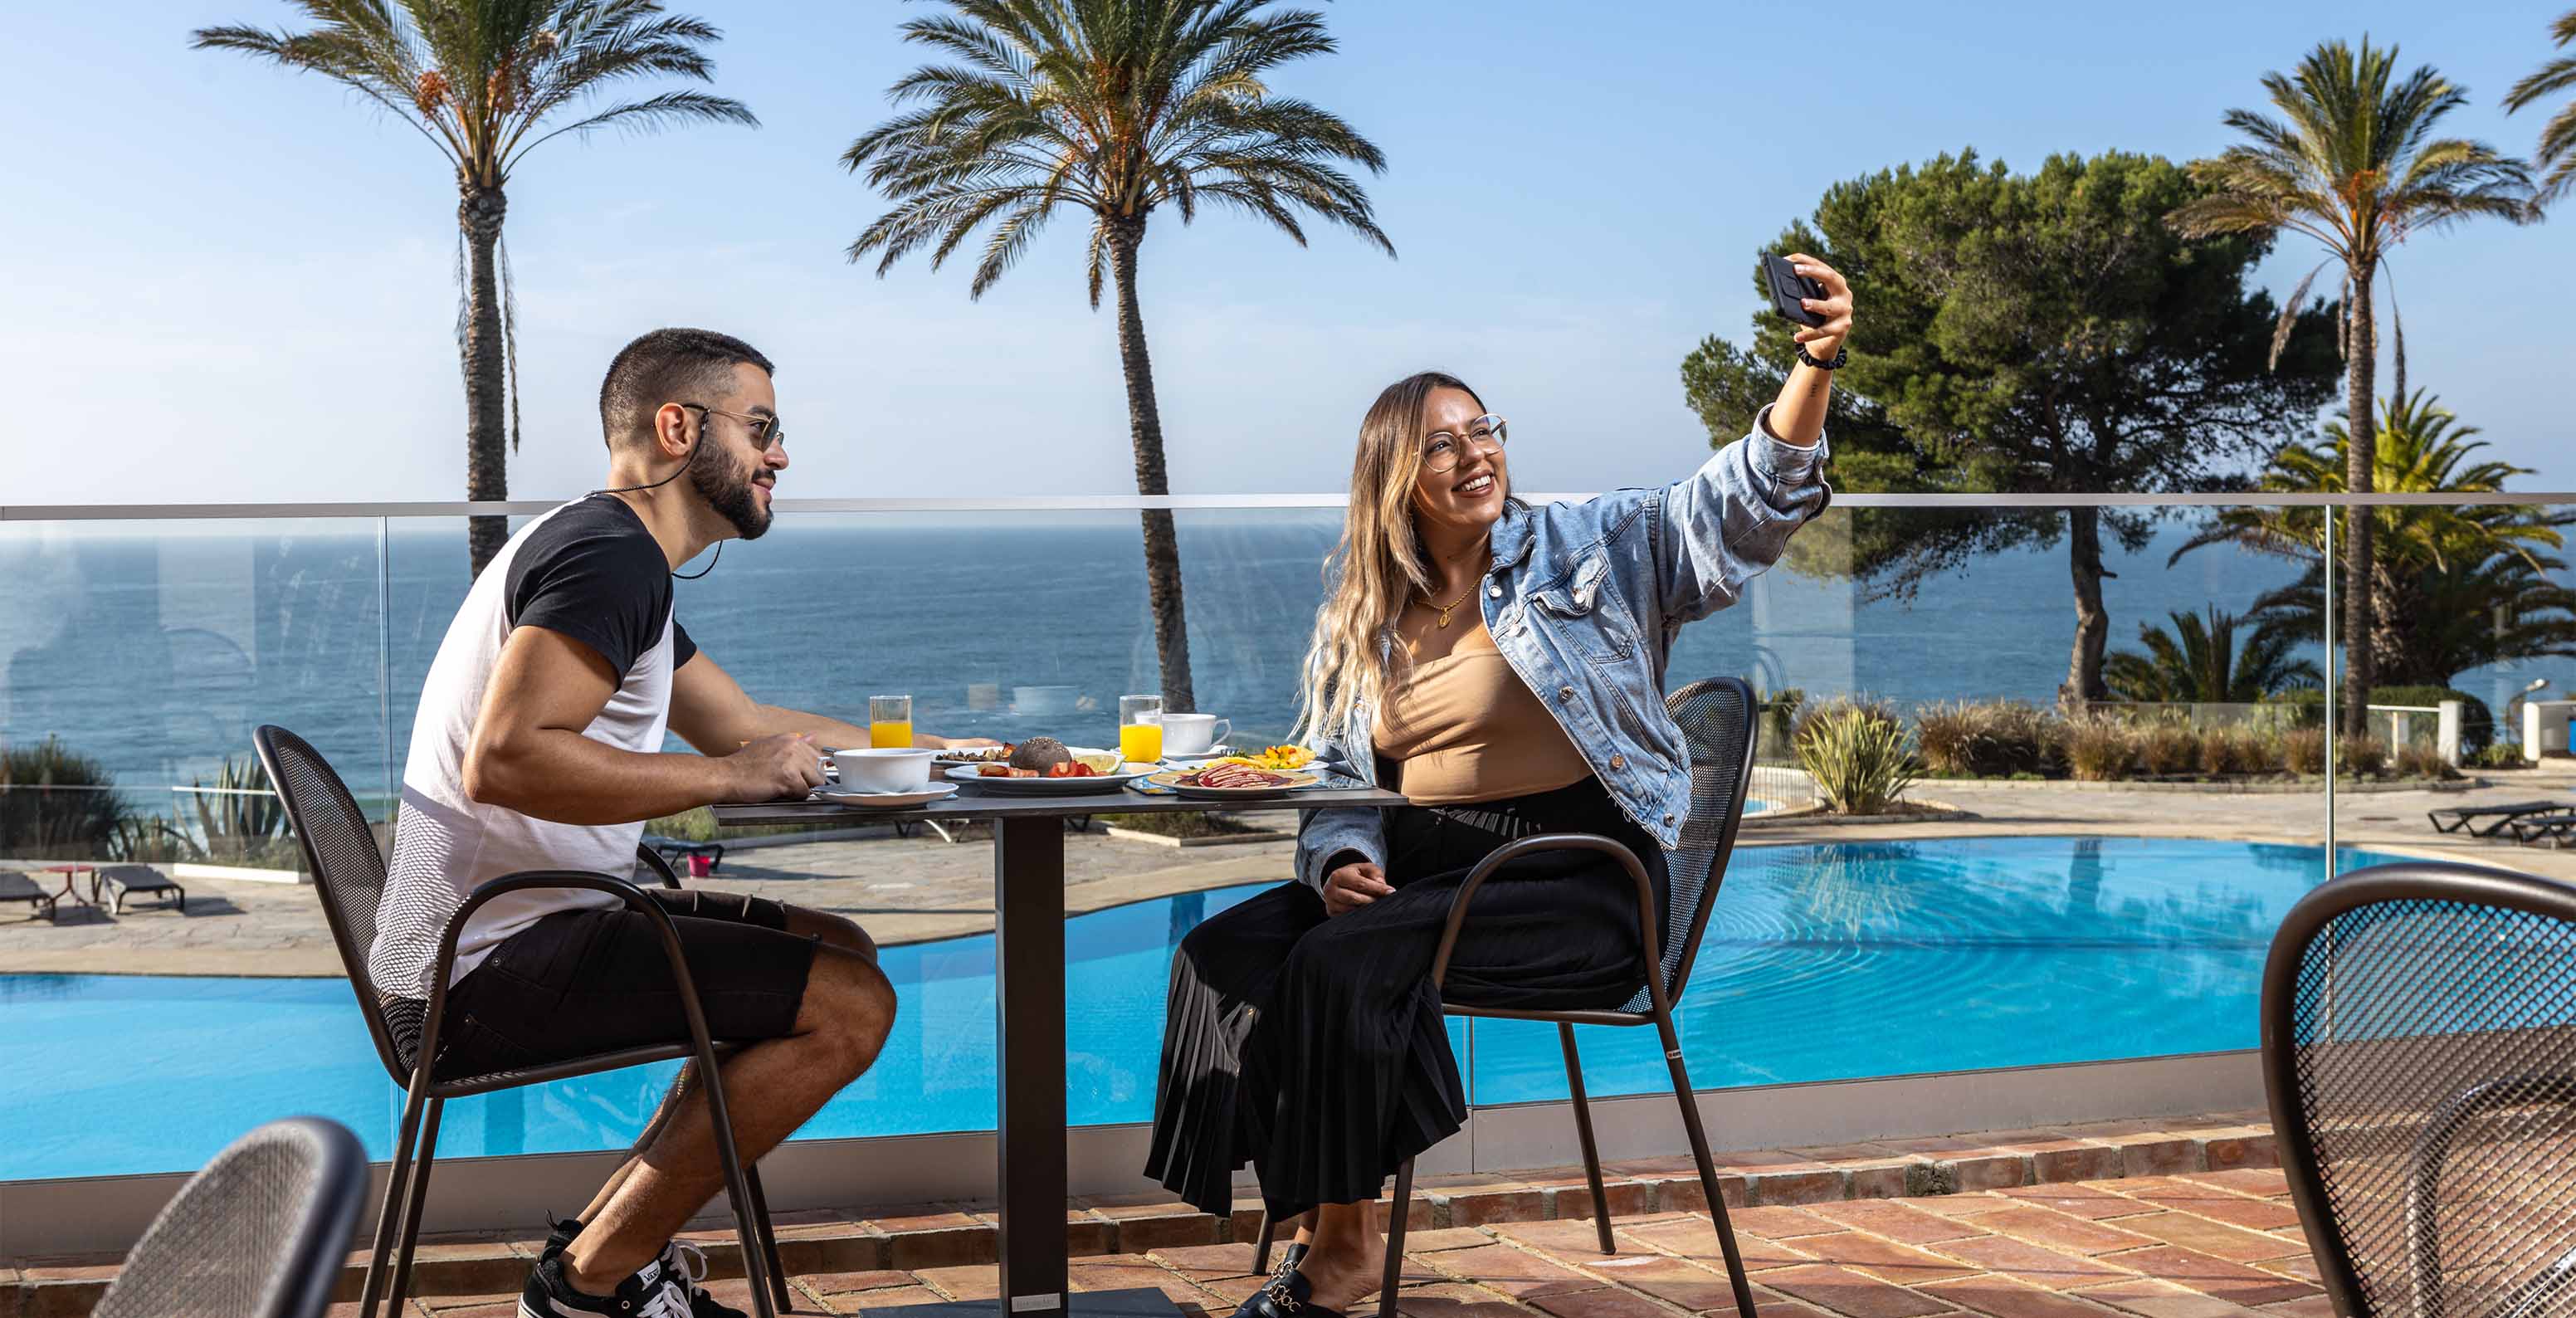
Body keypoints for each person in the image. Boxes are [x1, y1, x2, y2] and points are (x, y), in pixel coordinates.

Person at [1145, 260, 1855, 1318]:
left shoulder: (1587, 545)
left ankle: (1340, 1250)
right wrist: (1342, 857)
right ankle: (1312, 1203)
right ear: (1394, 475)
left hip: (1574, 872)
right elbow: (1343, 776)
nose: (1475, 454)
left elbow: (1737, 506)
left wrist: (1814, 362)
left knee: (1348, 959)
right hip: (1421, 865)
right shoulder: (1365, 613)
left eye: (1484, 430)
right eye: (1442, 441)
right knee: (1221, 952)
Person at [368, 328, 993, 1318]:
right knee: (851, 1006)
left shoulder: (616, 553)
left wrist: (959, 754)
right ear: (677, 427)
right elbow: (510, 754)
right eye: (762, 428)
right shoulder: (609, 558)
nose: (779, 454)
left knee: (841, 950)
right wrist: (726, 780)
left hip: (504, 931)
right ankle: (586, 1287)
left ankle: (610, 1247)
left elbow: (743, 725)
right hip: (482, 964)